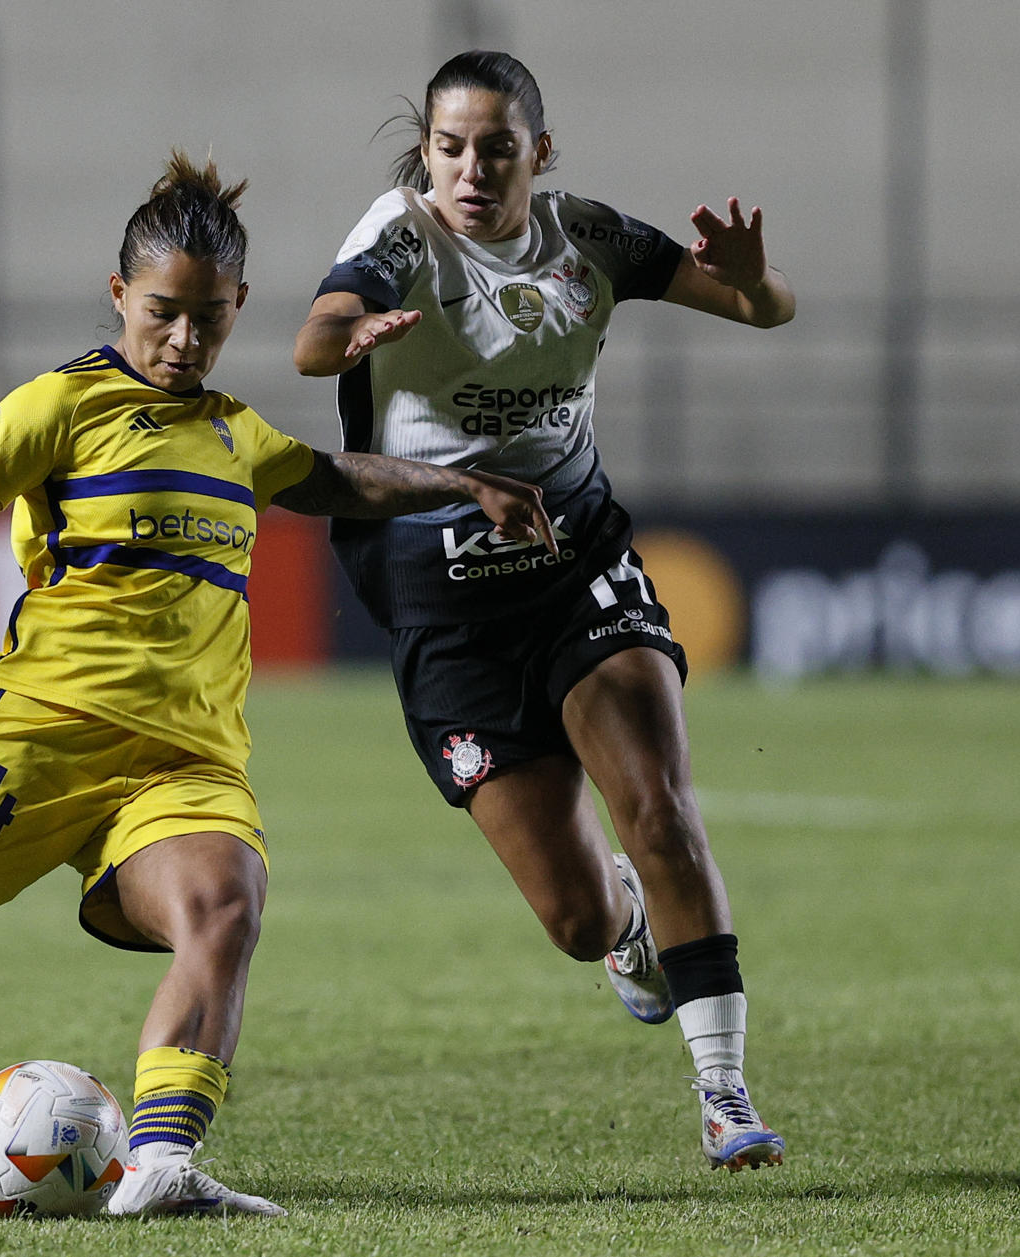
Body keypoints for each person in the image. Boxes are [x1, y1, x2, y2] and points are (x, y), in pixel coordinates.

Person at [0, 153, 554, 1217]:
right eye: (163, 314)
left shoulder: (233, 431)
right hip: (38, 738)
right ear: (121, 295)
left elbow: (331, 477)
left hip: (182, 760)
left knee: (225, 903)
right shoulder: (62, 405)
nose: (184, 341)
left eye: (209, 320)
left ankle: (164, 1162)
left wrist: (464, 485)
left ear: (238, 309)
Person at [293, 51, 797, 1172]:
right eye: (451, 147)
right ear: (426, 152)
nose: (472, 169)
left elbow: (766, 311)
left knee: (657, 806)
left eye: (497, 147)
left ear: (540, 153)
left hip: (574, 560)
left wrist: (756, 282)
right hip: (442, 603)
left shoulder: (590, 243)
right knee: (574, 918)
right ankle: (626, 934)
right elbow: (310, 341)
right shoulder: (401, 238)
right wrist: (357, 334)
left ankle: (726, 1095)